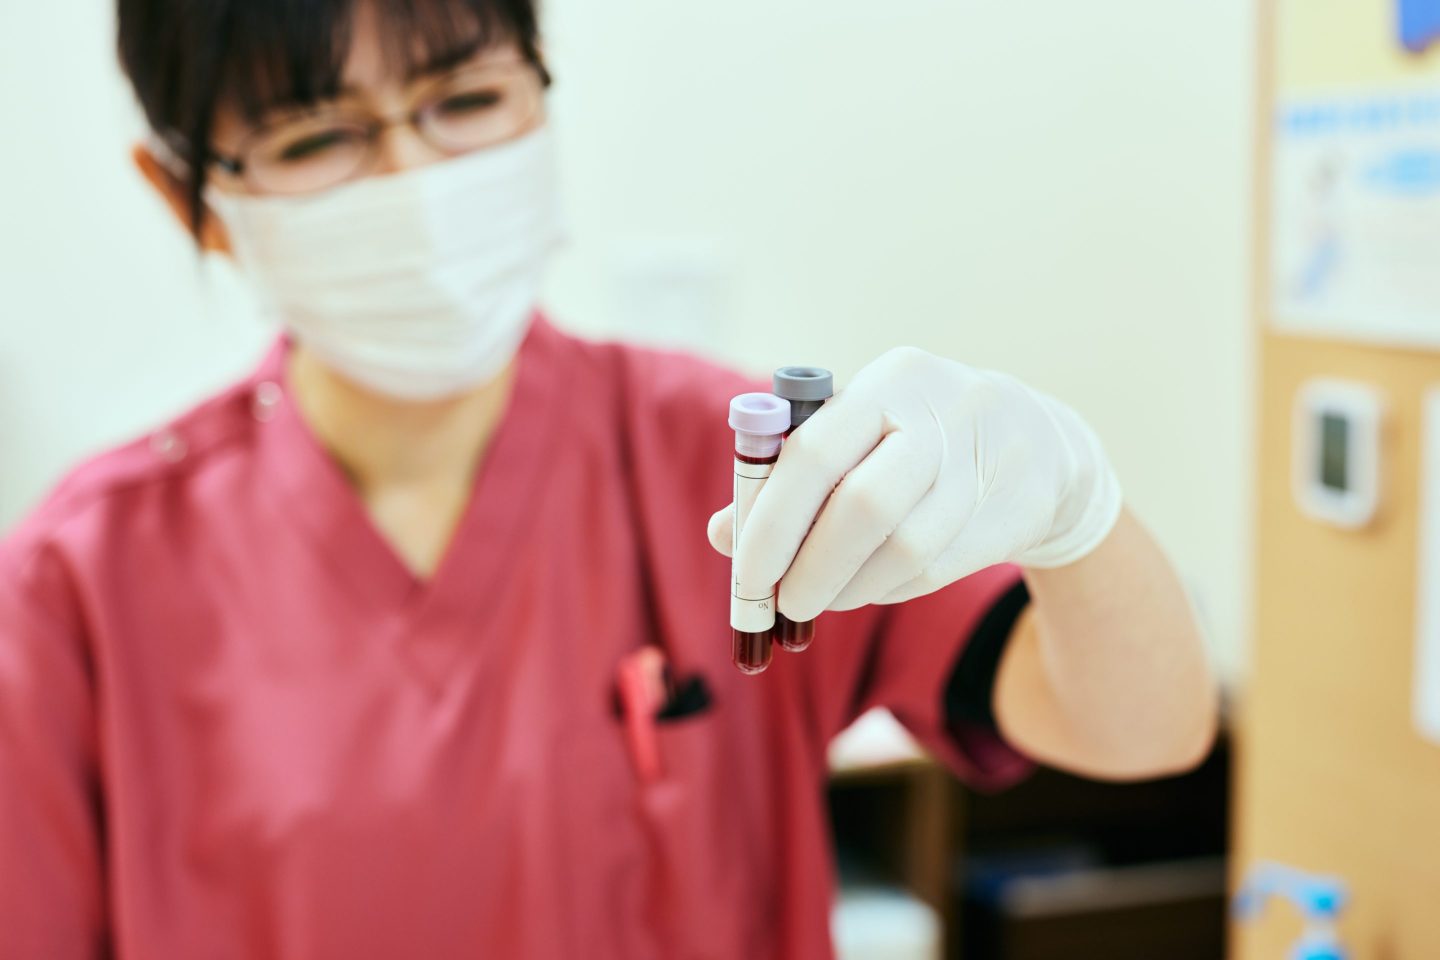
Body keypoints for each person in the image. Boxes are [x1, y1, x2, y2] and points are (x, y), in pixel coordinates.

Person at [0, 1, 1218, 957]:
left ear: (542, 101)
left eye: (465, 100)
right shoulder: (82, 583)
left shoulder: (733, 461)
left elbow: (1143, 733)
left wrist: (1075, 513)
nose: (413, 183)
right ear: (190, 198)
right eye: (316, 136)